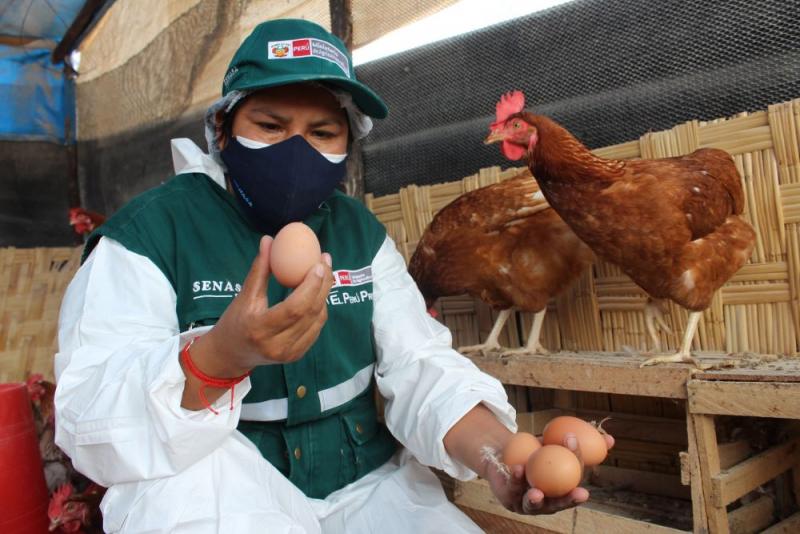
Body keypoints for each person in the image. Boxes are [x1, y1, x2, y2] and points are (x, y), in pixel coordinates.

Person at [54, 18, 613, 533]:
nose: (297, 149)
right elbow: (89, 417)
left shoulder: (357, 234)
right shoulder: (153, 235)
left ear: (349, 142)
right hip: (218, 487)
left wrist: (499, 457)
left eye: (323, 132)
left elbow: (419, 365)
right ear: (222, 129)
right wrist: (217, 359)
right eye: (270, 125)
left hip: (367, 490)